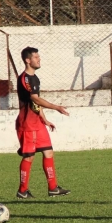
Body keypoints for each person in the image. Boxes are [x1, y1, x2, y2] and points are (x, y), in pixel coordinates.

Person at [15, 47, 70, 199]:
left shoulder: (35, 78)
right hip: (27, 123)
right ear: (28, 60)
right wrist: (56, 107)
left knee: (48, 152)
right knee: (29, 157)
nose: (39, 59)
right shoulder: (25, 78)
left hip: (37, 122)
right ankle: (22, 190)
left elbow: (36, 103)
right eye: (36, 57)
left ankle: (53, 188)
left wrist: (44, 119)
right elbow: (35, 99)